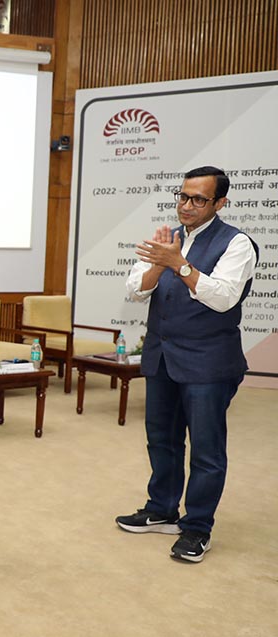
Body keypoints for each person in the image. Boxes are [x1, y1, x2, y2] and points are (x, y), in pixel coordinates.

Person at [117, 166, 258, 563]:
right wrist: (161, 263)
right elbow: (135, 290)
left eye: (198, 199)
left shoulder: (237, 244)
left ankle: (197, 527)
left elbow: (223, 297)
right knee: (161, 439)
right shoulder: (168, 240)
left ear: (219, 203)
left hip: (208, 364)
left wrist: (179, 264)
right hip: (162, 356)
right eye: (183, 196)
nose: (187, 205)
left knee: (207, 450)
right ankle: (162, 509)